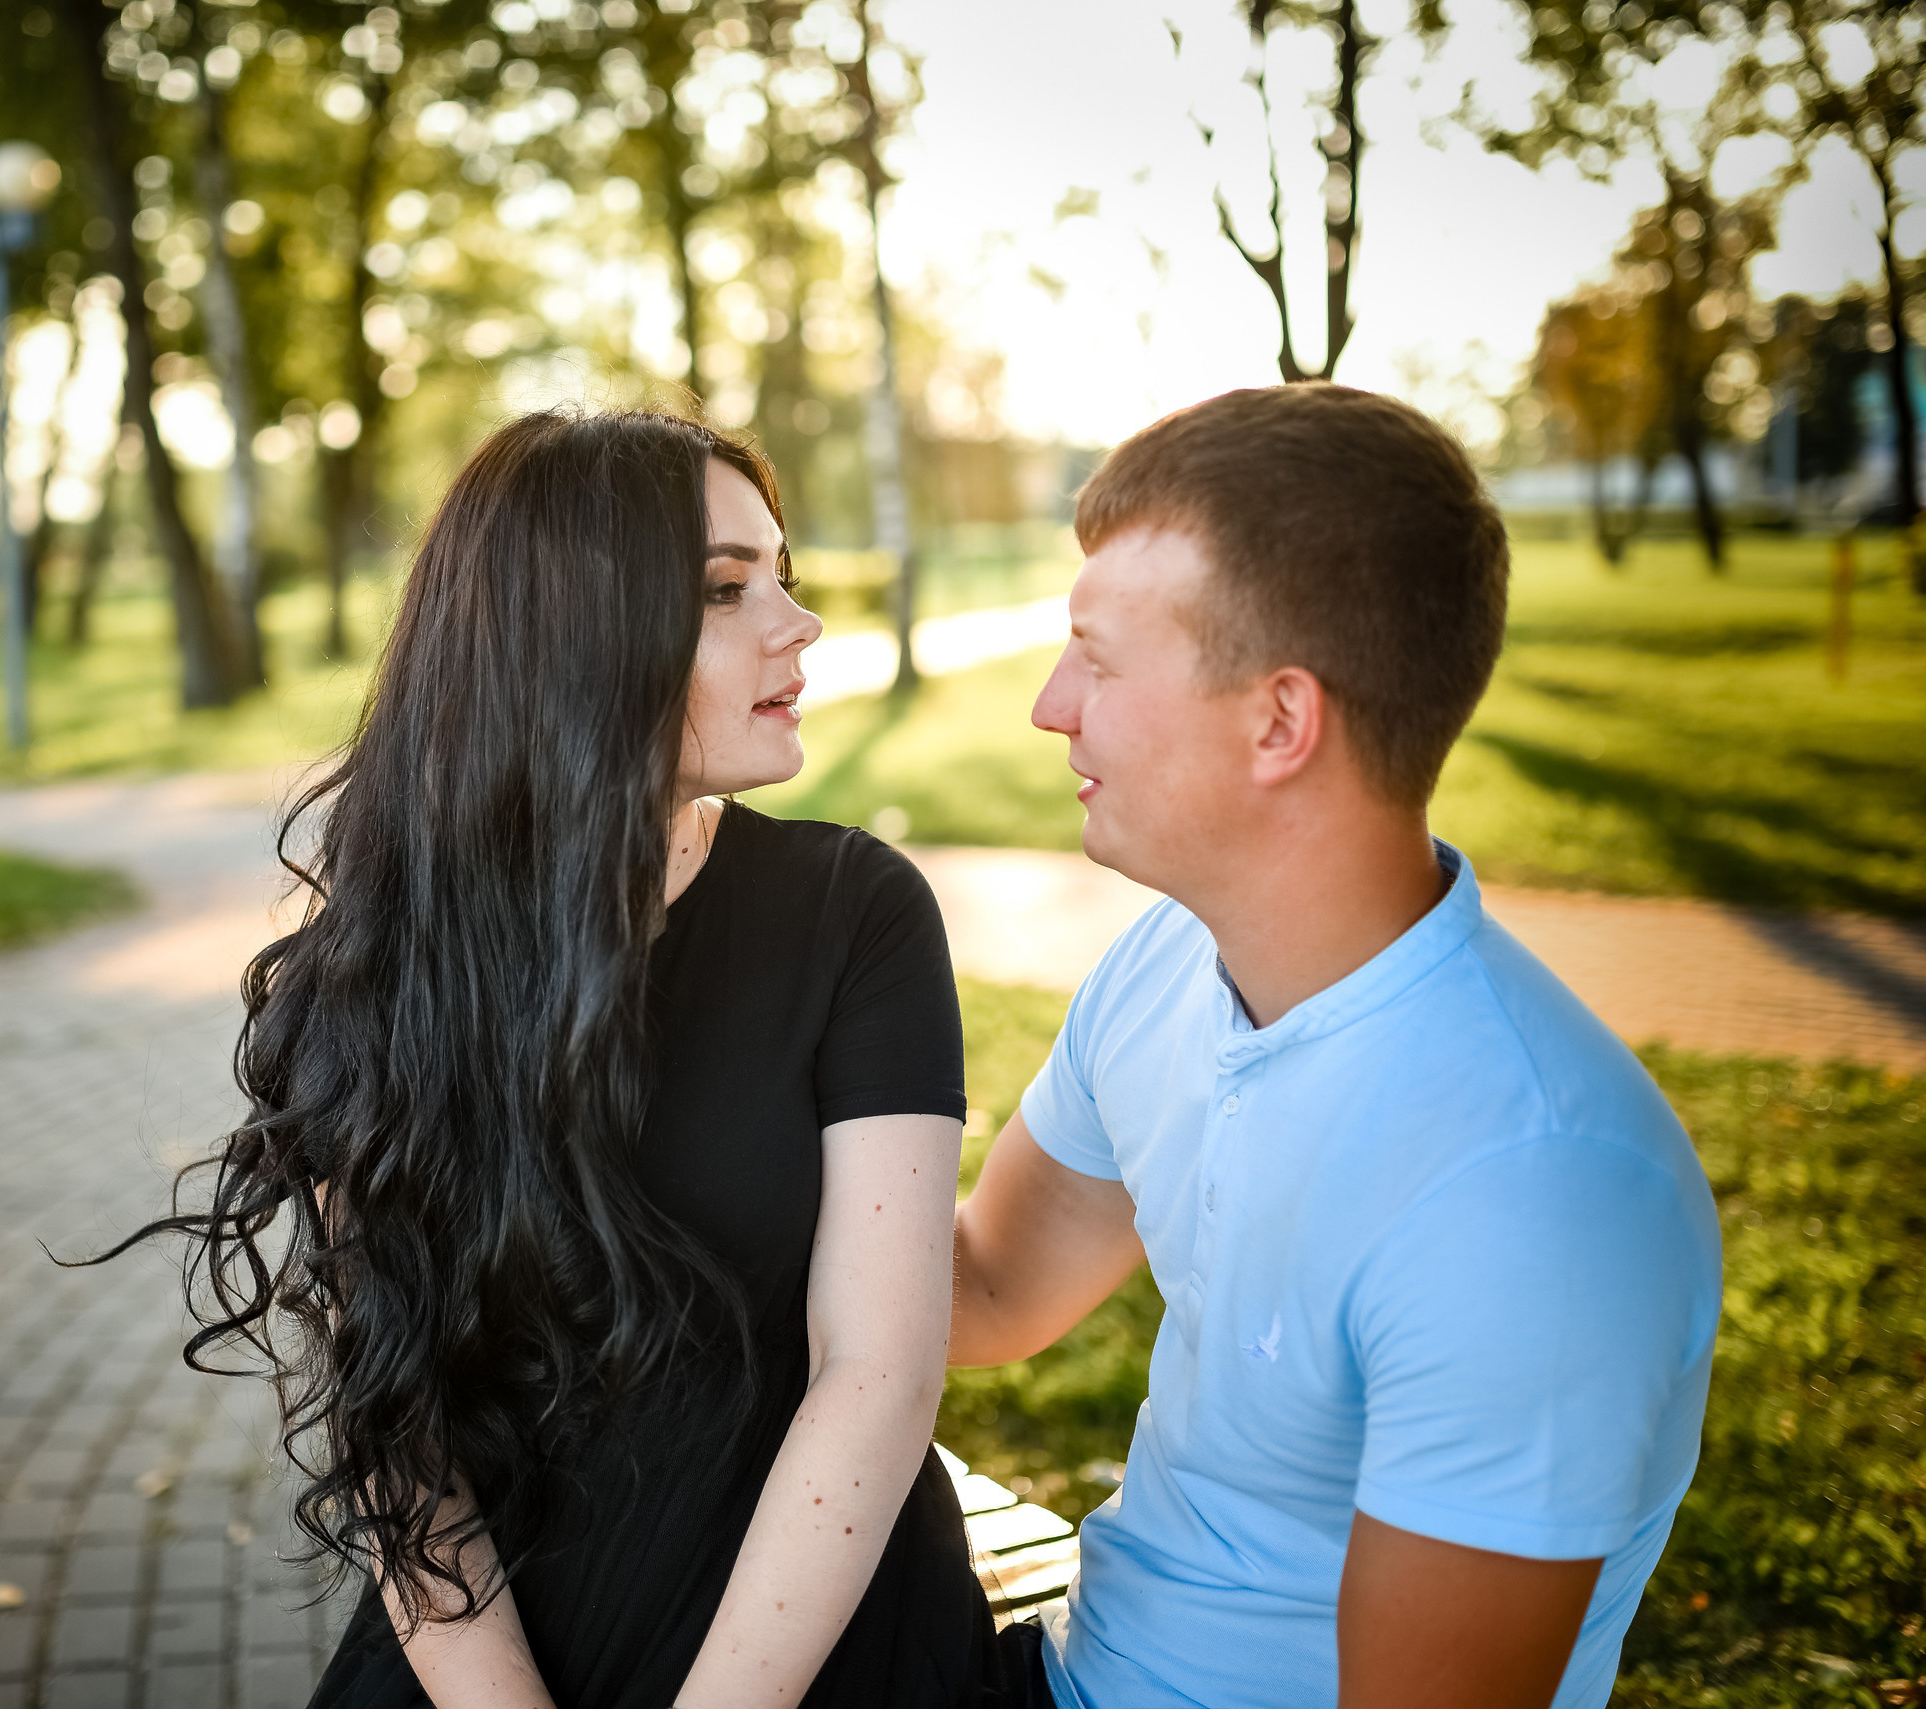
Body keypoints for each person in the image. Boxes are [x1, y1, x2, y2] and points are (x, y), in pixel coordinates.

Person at [100, 410, 1009, 1708]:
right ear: (571, 635)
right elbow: (400, 1442)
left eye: (786, 575)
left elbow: (879, 1370)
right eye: (725, 588)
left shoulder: (853, 914)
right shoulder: (362, 983)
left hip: (808, 1622)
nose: (798, 623)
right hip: (492, 1641)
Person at [952, 384, 1723, 1709]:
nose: (1049, 703)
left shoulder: (1534, 1191)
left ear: (1279, 721)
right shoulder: (1165, 966)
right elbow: (990, 1287)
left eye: (1096, 653)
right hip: (1065, 1673)